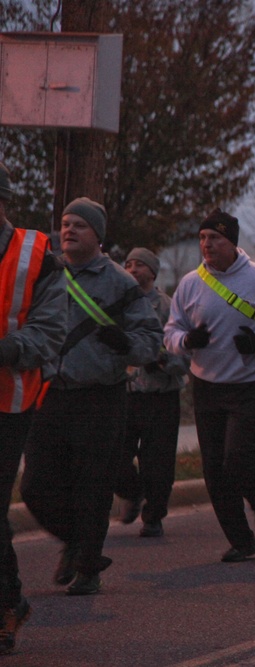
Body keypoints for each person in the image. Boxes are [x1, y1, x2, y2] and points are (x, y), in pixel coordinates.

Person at [21, 197, 162, 595]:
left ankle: (86, 567)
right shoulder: (45, 271)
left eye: (79, 225)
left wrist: (124, 344)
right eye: (65, 223)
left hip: (100, 397)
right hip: (48, 393)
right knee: (35, 487)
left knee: (93, 485)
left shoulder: (120, 281)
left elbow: (151, 342)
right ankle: (78, 543)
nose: (69, 231)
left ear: (97, 235)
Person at [164, 209, 255, 562]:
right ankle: (241, 540)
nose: (207, 245)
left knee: (238, 459)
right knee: (214, 470)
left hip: (250, 383)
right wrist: (186, 341)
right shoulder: (190, 283)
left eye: (215, 238)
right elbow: (170, 332)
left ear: (232, 243)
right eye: (203, 238)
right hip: (207, 384)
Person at [0, 163, 66, 650]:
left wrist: (5, 349)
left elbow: (48, 334)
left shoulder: (37, 255)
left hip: (9, 401)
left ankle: (7, 605)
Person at [115, 248, 190, 538]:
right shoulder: (117, 303)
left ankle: (153, 516)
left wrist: (163, 362)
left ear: (153, 272)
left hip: (161, 394)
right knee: (115, 454)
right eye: (129, 264)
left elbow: (184, 354)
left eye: (140, 265)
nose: (133, 269)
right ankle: (132, 493)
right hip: (125, 391)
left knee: (158, 462)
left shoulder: (170, 307)